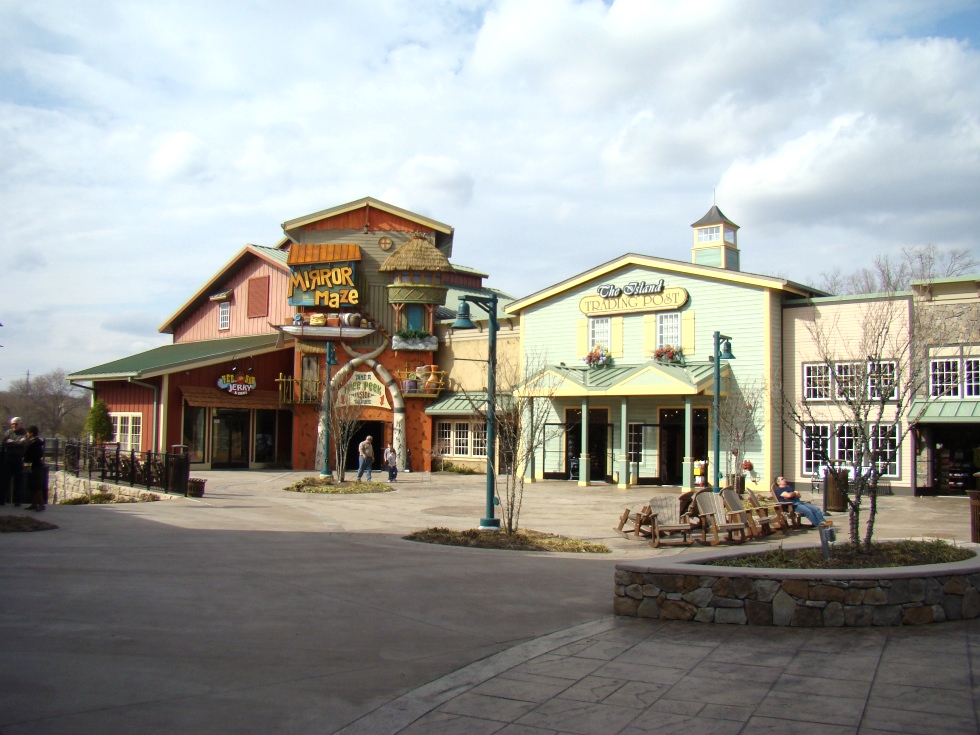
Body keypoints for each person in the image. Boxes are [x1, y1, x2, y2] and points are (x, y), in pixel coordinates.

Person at [1, 417, 28, 506]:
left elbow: (23, 444)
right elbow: (4, 443)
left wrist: (12, 442)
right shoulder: (8, 432)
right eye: (12, 424)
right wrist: (17, 443)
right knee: (5, 480)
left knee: (18, 481)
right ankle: (2, 500)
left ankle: (17, 501)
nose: (14, 426)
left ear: (20, 424)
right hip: (8, 459)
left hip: (18, 459)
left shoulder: (24, 433)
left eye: (16, 424)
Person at [23, 426, 46, 512]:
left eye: (28, 432)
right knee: (31, 486)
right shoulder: (35, 442)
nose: (27, 434)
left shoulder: (34, 443)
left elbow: (28, 453)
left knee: (36, 486)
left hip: (35, 466)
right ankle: (34, 504)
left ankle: (41, 504)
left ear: (31, 433)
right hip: (32, 466)